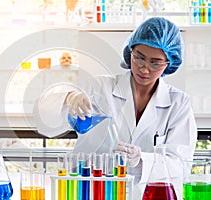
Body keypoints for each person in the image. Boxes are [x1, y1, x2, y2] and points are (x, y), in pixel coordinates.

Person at [34, 17, 197, 199]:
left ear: (169, 63)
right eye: (139, 58)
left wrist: (141, 160)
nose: (144, 69)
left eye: (155, 63)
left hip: (144, 195)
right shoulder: (100, 88)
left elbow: (181, 165)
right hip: (89, 192)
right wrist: (67, 97)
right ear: (130, 53)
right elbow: (43, 121)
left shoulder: (178, 103)